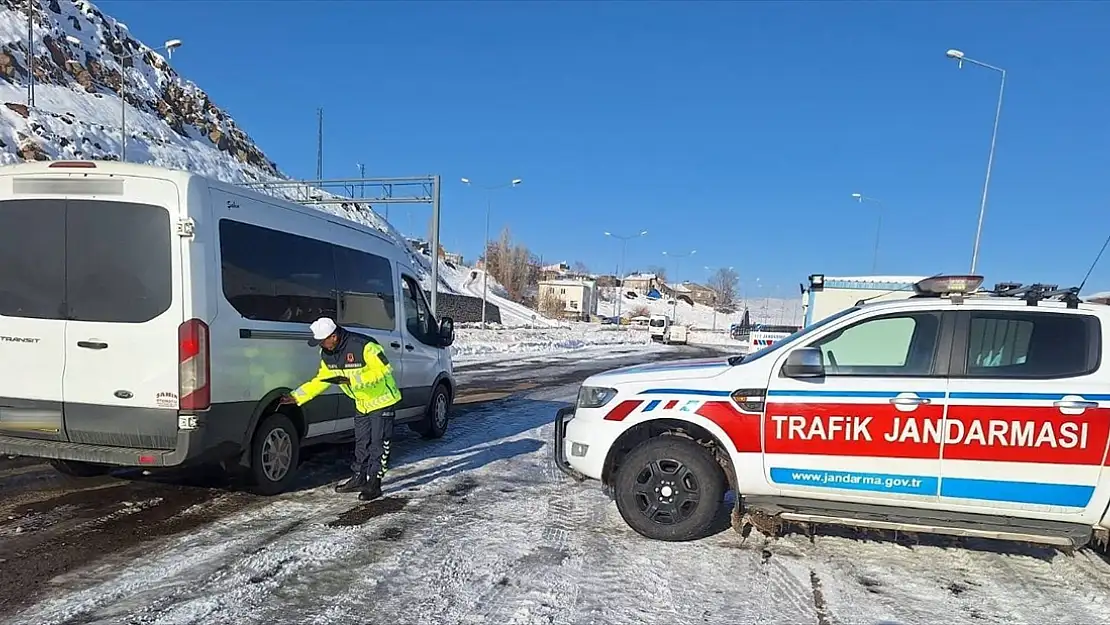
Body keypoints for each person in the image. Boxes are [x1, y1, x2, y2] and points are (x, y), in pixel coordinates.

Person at [280, 317, 402, 500]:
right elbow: (321, 380)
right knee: (361, 444)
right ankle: (359, 478)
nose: (321, 345)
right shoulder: (328, 354)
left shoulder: (365, 346)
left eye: (322, 341)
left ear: (334, 337)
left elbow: (384, 370)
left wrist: (353, 380)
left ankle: (374, 484)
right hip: (362, 403)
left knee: (378, 444)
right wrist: (297, 396)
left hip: (382, 400)